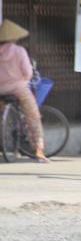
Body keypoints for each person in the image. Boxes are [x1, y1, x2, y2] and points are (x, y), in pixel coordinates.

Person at [0, 20, 48, 162]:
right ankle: (38, 150)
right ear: (14, 37)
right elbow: (27, 73)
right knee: (33, 116)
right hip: (19, 89)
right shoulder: (19, 51)